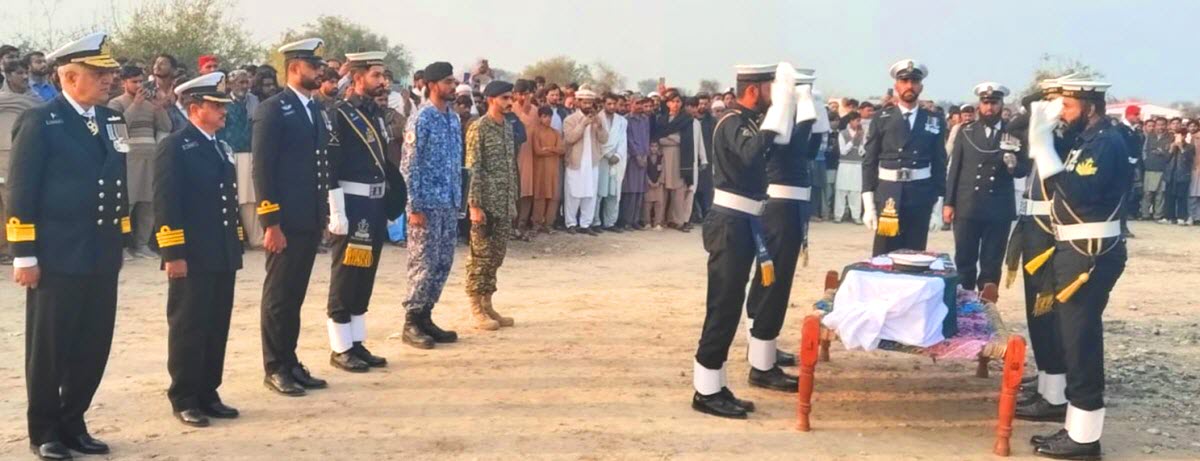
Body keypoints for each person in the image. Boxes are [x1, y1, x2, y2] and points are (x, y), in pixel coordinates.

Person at [9, 32, 127, 460]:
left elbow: (118, 181)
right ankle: (45, 430)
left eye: (108, 74)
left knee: (93, 342)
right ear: (70, 76)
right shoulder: (41, 121)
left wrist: (122, 237)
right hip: (57, 254)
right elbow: (22, 193)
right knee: (51, 346)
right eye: (99, 74)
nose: (108, 81)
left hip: (101, 251)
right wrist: (24, 253)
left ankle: (74, 420)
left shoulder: (112, 120)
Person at [1025, 77, 1130, 460]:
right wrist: (1045, 133)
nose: (1062, 114)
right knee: (1072, 338)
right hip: (1074, 248)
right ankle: (1075, 427)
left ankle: (1085, 438)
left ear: (1090, 104)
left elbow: (1080, 194)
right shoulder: (1087, 139)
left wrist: (1045, 151)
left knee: (1081, 340)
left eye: (1067, 106)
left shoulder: (1105, 143)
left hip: (1090, 253)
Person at [693, 63, 793, 419]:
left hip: (745, 219)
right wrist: (777, 113)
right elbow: (750, 155)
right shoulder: (732, 121)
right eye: (771, 88)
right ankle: (705, 391)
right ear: (754, 89)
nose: (774, 95)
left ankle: (715, 385)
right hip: (730, 223)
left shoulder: (748, 121)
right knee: (722, 305)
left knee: (731, 304)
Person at [153, 71, 245, 428]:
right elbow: (167, 203)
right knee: (189, 325)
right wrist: (173, 254)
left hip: (221, 251)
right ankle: (185, 395)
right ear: (195, 108)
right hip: (191, 254)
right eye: (216, 105)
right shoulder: (175, 146)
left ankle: (209, 390)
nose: (224, 111)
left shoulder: (219, 146)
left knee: (215, 323)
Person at [252, 38, 333, 396]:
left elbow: (318, 165)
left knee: (295, 294)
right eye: (314, 67)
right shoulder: (274, 108)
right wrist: (271, 223)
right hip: (284, 221)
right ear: (295, 68)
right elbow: (262, 169)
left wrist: (324, 214)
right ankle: (274, 366)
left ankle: (290, 359)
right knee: (279, 296)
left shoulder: (313, 109)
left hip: (308, 218)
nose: (320, 73)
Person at [323, 51, 404, 372]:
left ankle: (356, 342)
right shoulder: (340, 114)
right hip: (352, 206)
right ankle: (340, 346)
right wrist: (336, 211)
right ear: (357, 78)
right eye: (376, 75)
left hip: (373, 205)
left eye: (384, 76)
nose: (383, 82)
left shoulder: (374, 113)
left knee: (364, 273)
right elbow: (330, 166)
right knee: (346, 274)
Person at [743, 67, 820, 392]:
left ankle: (762, 348)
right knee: (773, 284)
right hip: (781, 207)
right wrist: (801, 104)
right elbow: (802, 140)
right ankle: (761, 366)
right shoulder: (780, 123)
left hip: (790, 207)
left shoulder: (783, 120)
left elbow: (813, 148)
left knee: (769, 281)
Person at [1008, 80, 1069, 426]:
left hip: (1049, 230)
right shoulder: (1042, 132)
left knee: (1048, 312)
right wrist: (1039, 102)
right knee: (1037, 313)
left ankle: (1056, 392)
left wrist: (1050, 112)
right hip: (1033, 224)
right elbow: (1014, 126)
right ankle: (1048, 379)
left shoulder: (1063, 138)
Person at [400, 61, 463, 349]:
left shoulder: (452, 118)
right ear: (432, 84)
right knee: (422, 264)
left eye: (454, 81)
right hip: (425, 204)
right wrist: (413, 207)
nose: (453, 86)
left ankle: (426, 316)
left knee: (442, 262)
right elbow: (409, 165)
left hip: (448, 202)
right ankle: (411, 320)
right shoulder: (421, 118)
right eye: (447, 82)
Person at [944, 82, 1028, 291]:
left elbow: (1022, 170)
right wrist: (949, 203)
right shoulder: (967, 131)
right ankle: (965, 306)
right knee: (965, 259)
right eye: (985, 103)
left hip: (997, 207)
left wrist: (1013, 164)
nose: (989, 108)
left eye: (994, 103)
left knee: (991, 262)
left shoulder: (1012, 133)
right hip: (968, 205)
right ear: (979, 105)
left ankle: (987, 308)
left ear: (1001, 104)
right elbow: (955, 168)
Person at [861, 59, 947, 256]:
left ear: (921, 86)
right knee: (884, 256)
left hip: (919, 194)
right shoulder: (882, 117)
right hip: (889, 194)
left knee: (914, 256)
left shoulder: (934, 120)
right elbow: (869, 162)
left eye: (914, 81)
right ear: (896, 86)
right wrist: (868, 204)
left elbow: (940, 163)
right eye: (905, 81)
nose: (909, 86)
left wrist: (938, 205)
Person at [464, 80, 519, 330]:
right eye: (505, 98)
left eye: (511, 98)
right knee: (481, 257)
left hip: (504, 201)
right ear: (491, 99)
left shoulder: (507, 127)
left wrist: (512, 199)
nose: (510, 102)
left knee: (497, 256)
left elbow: (510, 165)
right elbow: (473, 168)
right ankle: (476, 307)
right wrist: (474, 205)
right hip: (485, 204)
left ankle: (488, 303)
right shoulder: (479, 128)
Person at [108, 65, 173, 260]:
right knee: (126, 204)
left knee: (149, 203)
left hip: (150, 155)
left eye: (140, 81)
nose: (138, 85)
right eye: (134, 81)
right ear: (123, 82)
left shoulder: (150, 104)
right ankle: (120, 246)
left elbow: (166, 126)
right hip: (129, 158)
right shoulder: (116, 103)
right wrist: (135, 105)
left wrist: (159, 106)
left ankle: (142, 244)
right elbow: (118, 130)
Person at [222, 69, 262, 248]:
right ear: (230, 84)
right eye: (240, 82)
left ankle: (256, 238)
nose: (244, 86)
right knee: (230, 198)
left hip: (249, 153)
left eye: (246, 82)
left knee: (250, 198)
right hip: (229, 153)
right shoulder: (222, 103)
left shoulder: (253, 101)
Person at [561, 88, 608, 235]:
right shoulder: (570, 120)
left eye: (590, 102)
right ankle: (571, 223)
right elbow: (570, 138)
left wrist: (599, 126)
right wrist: (583, 124)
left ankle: (586, 224)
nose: (588, 105)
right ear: (578, 102)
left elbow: (604, 139)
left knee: (590, 193)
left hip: (592, 161)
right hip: (576, 161)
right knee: (573, 193)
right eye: (585, 102)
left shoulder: (598, 119)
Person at [654, 90, 698, 232]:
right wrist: (672, 138)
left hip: (679, 157)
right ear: (667, 103)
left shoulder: (687, 120)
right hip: (663, 156)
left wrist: (670, 139)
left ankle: (678, 221)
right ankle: (660, 220)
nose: (676, 104)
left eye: (678, 101)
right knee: (662, 188)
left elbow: (684, 140)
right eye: (673, 101)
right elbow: (658, 139)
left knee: (678, 190)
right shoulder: (661, 119)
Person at [595, 92, 628, 231]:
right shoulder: (597, 118)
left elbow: (622, 140)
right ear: (603, 104)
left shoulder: (622, 121)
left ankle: (610, 222)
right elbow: (597, 140)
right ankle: (595, 222)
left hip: (616, 160)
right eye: (609, 104)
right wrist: (608, 155)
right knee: (599, 192)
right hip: (601, 158)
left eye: (614, 104)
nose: (612, 106)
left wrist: (618, 155)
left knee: (613, 193)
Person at [530, 105, 565, 233]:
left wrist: (548, 149)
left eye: (549, 117)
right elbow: (538, 151)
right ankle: (537, 224)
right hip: (540, 170)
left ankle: (549, 224)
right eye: (545, 116)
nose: (548, 119)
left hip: (553, 170)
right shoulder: (535, 132)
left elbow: (561, 149)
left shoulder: (556, 132)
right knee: (540, 196)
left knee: (553, 197)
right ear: (539, 117)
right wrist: (553, 150)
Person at [510, 79, 538, 235]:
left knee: (527, 189)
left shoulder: (535, 110)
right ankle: (511, 224)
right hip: (514, 153)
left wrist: (527, 111)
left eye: (526, 94)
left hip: (529, 154)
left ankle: (522, 223)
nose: (523, 97)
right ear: (515, 94)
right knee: (514, 188)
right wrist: (523, 112)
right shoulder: (510, 109)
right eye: (520, 94)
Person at [621, 96, 651, 230]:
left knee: (640, 190)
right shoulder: (626, 120)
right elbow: (628, 139)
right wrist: (637, 155)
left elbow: (646, 137)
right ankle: (627, 220)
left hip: (643, 158)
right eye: (637, 104)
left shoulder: (645, 119)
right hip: (632, 159)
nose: (640, 106)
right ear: (631, 104)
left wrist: (645, 155)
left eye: (642, 104)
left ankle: (635, 219)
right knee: (630, 190)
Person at [834, 111, 865, 223]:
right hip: (844, 164)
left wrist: (861, 143)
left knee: (856, 191)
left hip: (857, 165)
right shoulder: (843, 133)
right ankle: (838, 215)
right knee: (841, 190)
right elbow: (843, 151)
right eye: (857, 121)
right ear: (851, 121)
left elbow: (862, 151)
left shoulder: (862, 133)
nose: (858, 123)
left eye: (859, 121)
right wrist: (853, 141)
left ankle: (856, 216)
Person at [1161, 127, 1193, 224]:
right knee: (1169, 196)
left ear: (1183, 136)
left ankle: (1181, 217)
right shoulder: (1170, 145)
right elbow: (1166, 160)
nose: (1176, 137)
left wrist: (1181, 148)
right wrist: (1171, 148)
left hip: (1183, 174)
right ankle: (1168, 217)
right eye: (1175, 135)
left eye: (1178, 135)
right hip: (1171, 174)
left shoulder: (1190, 147)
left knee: (1181, 197)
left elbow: (1188, 160)